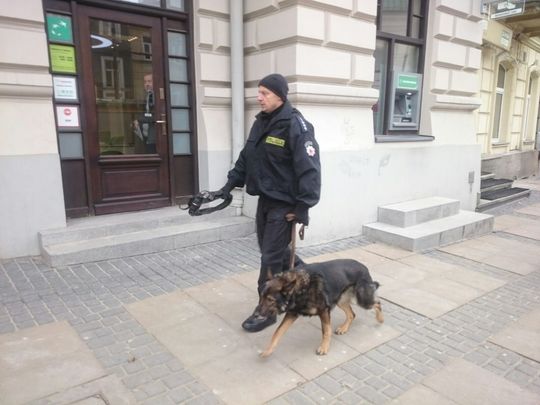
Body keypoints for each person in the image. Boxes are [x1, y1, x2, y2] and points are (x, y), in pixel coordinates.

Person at [219, 73, 321, 332]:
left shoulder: (297, 126)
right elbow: (246, 157)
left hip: (285, 206)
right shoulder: (261, 122)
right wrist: (229, 185)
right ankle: (309, 279)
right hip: (265, 200)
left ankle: (268, 310)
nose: (259, 97)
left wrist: (303, 207)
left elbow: (309, 170)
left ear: (280, 96)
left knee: (270, 258)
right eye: (259, 92)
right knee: (273, 251)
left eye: (265, 93)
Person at [133, 73, 156, 153]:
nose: (147, 84)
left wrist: (139, 119)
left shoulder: (157, 96)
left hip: (154, 134)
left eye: (149, 81)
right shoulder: (147, 95)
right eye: (145, 82)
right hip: (145, 131)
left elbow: (154, 115)